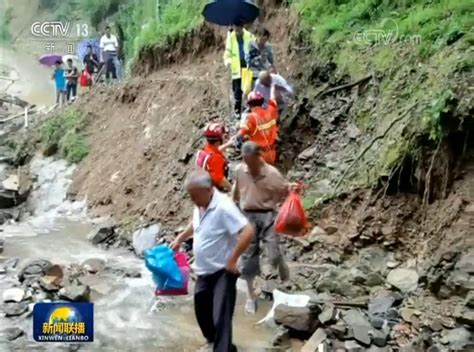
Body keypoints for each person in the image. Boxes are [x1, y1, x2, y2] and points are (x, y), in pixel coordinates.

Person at [170, 170, 255, 352]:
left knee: (221, 318)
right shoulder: (201, 204)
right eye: (190, 196)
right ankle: (221, 346)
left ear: (208, 190)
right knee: (202, 314)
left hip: (223, 271)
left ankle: (222, 348)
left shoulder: (224, 207)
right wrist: (180, 239)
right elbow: (195, 223)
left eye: (194, 196)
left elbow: (247, 231)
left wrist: (232, 261)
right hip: (203, 270)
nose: (192, 200)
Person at [232, 142, 298, 314]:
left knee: (273, 253)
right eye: (245, 161)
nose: (248, 165)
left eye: (250, 161)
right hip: (247, 216)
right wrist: (234, 203)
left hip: (267, 215)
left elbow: (285, 191)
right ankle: (251, 296)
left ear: (258, 156)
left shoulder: (272, 174)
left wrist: (291, 190)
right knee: (248, 258)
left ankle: (281, 263)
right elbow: (236, 189)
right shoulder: (240, 170)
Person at [222, 86, 279, 165]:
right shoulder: (271, 110)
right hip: (272, 155)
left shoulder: (251, 118)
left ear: (249, 105)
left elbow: (239, 136)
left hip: (259, 156)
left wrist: (225, 145)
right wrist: (272, 86)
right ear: (262, 102)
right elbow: (273, 99)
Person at [223, 22, 255, 119]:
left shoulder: (249, 36)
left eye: (239, 27)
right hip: (236, 67)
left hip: (247, 65)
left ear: (242, 26)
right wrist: (227, 61)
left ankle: (250, 108)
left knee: (248, 88)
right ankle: (237, 111)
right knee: (237, 90)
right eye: (236, 27)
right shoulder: (231, 37)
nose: (237, 29)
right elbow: (227, 51)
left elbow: (255, 48)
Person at [196, 123, 232, 192]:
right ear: (218, 141)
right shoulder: (216, 158)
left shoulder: (206, 149)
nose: (225, 137)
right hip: (214, 191)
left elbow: (216, 150)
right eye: (224, 136)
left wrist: (228, 144)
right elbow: (220, 180)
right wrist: (233, 190)